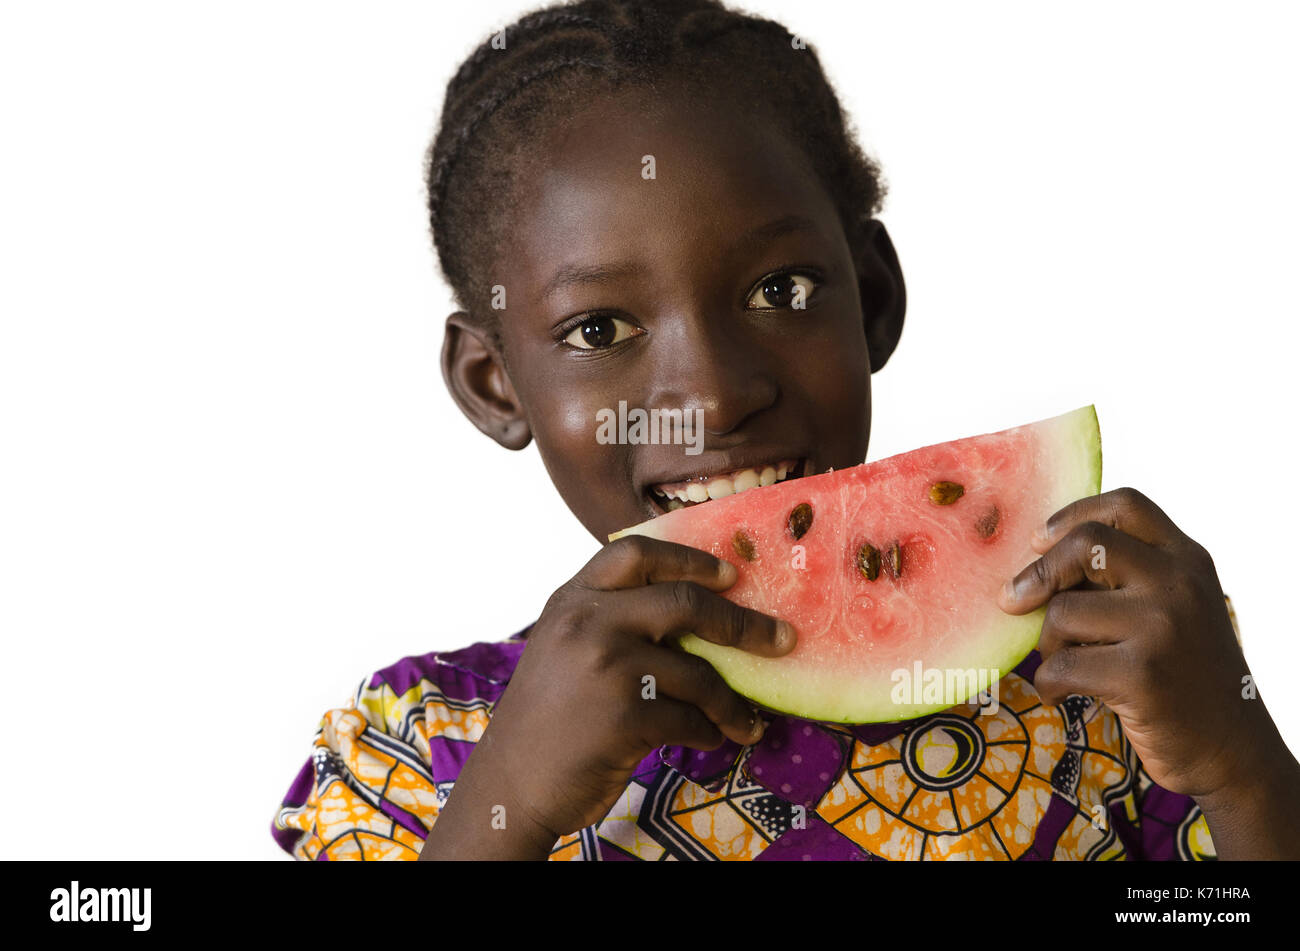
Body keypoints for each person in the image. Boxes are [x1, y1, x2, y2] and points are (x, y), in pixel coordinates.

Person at [271, 0, 1298, 861]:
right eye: (600, 329)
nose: (713, 397)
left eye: (779, 289)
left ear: (875, 297)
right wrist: (508, 810)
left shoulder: (1105, 688)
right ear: (494, 384)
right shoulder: (412, 750)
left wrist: (1239, 768)